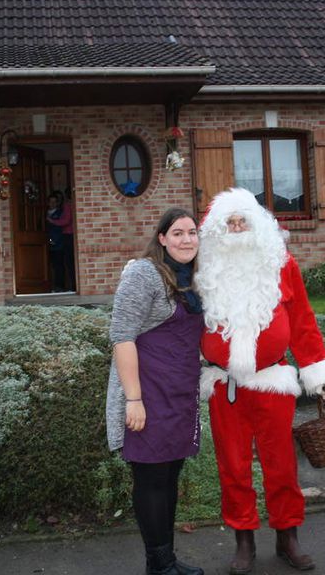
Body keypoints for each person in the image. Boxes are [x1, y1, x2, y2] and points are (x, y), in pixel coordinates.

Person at [194, 188, 325, 574]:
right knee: (233, 466)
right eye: (230, 223)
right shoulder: (203, 269)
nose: (237, 228)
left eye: (243, 221)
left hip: (273, 381)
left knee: (281, 464)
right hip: (225, 387)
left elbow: (304, 320)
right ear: (217, 230)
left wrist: (316, 371)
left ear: (258, 225)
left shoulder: (281, 264)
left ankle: (287, 535)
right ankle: (244, 540)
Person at [106, 208, 206, 575]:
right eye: (177, 233)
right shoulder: (143, 274)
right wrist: (133, 398)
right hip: (147, 395)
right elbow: (122, 337)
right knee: (151, 478)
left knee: (170, 476)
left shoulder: (194, 279)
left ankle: (168, 560)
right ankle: (158, 564)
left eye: (192, 232)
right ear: (162, 238)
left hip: (180, 394)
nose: (186, 240)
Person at [45, 191, 68, 291]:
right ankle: (49, 286)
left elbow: (58, 230)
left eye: (55, 202)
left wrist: (51, 241)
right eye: (51, 202)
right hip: (45, 244)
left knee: (58, 266)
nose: (53, 204)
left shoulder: (59, 213)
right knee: (48, 266)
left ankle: (59, 286)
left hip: (57, 244)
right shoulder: (45, 212)